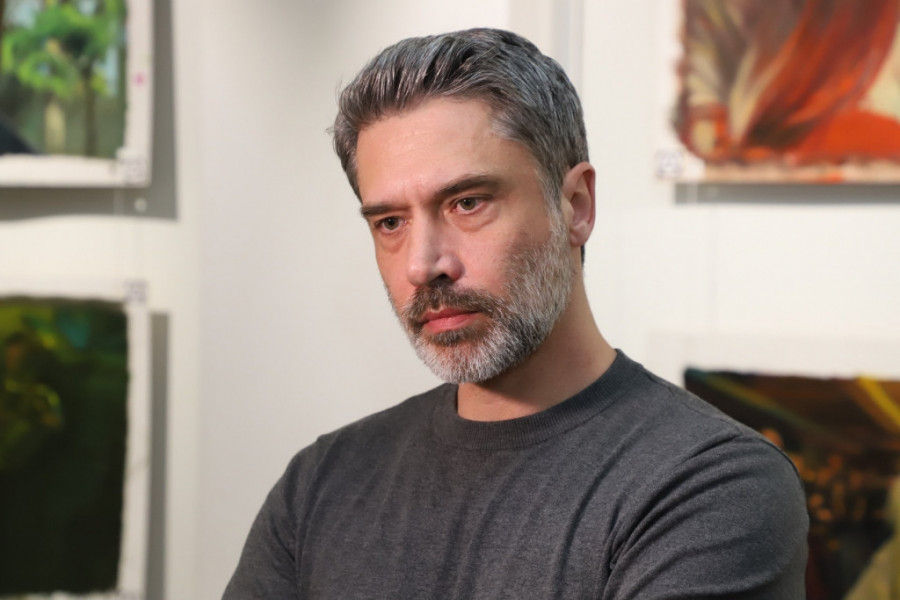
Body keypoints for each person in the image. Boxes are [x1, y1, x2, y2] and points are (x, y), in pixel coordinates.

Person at [224, 28, 808, 599]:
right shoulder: (321, 483)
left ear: (576, 205)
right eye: (390, 222)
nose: (423, 265)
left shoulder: (711, 484)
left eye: (467, 203)